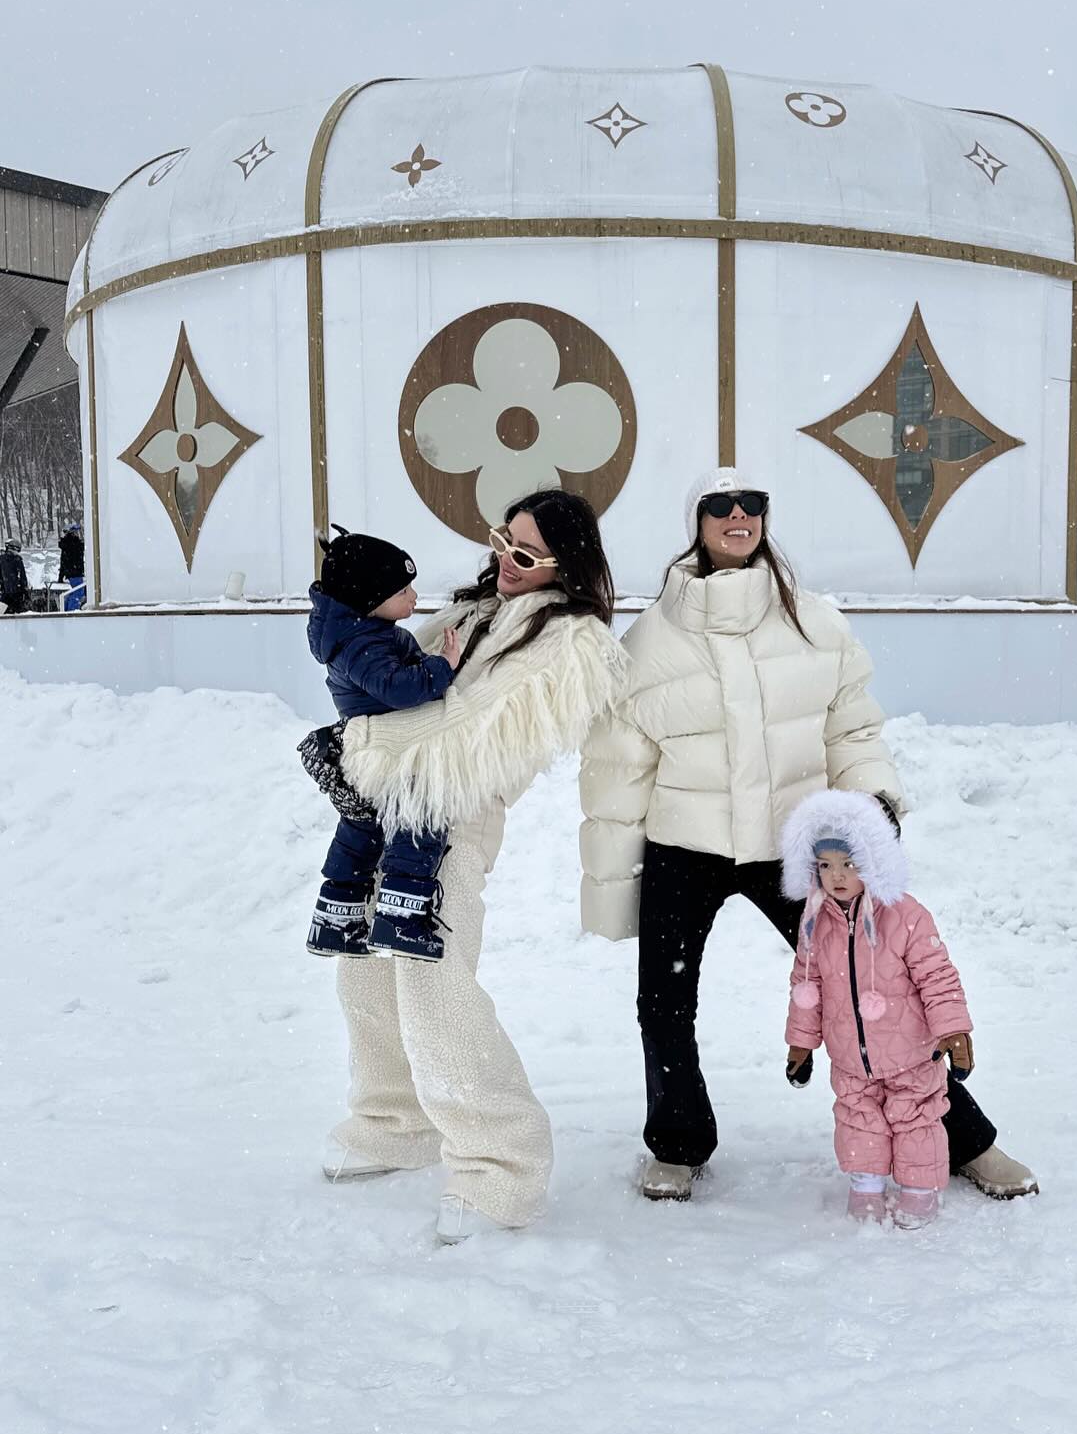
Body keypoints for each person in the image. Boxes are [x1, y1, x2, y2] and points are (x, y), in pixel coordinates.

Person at [580, 467, 1037, 1203]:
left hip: (800, 852)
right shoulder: (650, 641)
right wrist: (612, 882)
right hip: (683, 848)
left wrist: (873, 801)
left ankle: (964, 1139)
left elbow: (850, 726)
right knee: (663, 1005)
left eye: (752, 505)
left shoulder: (814, 622)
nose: (739, 517)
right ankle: (677, 1143)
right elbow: (618, 772)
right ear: (694, 521)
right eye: (720, 507)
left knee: (882, 985)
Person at [321, 490, 627, 1242]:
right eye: (501, 541)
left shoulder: (569, 639)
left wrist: (366, 745)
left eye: (524, 555)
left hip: (450, 818)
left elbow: (464, 728)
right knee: (364, 969)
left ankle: (503, 1164)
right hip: (389, 804)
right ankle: (397, 1119)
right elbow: (386, 681)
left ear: (564, 565)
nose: (504, 561)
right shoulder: (471, 610)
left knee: (434, 985)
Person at [781, 790, 977, 1229]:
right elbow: (805, 984)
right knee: (858, 1119)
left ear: (875, 860)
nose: (837, 876)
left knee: (917, 1118)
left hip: (910, 1053)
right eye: (826, 865)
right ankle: (866, 1186)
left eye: (849, 864)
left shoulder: (907, 916)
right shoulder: (815, 921)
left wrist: (953, 1031)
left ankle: (919, 1191)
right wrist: (800, 1044)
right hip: (850, 1057)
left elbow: (937, 976)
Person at [304, 525, 464, 960]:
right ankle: (401, 918)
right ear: (371, 599)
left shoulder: (358, 633)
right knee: (420, 818)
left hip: (371, 749)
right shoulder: (363, 644)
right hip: (388, 751)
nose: (413, 597)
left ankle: (335, 921)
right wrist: (443, 667)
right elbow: (397, 689)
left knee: (363, 829)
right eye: (403, 590)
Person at [58, 523, 85, 609]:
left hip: (71, 572)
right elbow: (77, 558)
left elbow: (62, 561)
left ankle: (65, 607)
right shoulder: (74, 544)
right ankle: (72, 611)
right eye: (75, 532)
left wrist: (61, 576)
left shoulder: (66, 545)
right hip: (75, 572)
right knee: (79, 592)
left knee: (75, 591)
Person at [1, 539, 28, 614]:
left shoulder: (1, 559)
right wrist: (25, 589)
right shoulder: (17, 559)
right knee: (20, 614)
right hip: (16, 592)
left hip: (5, 592)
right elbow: (22, 576)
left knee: (4, 614)